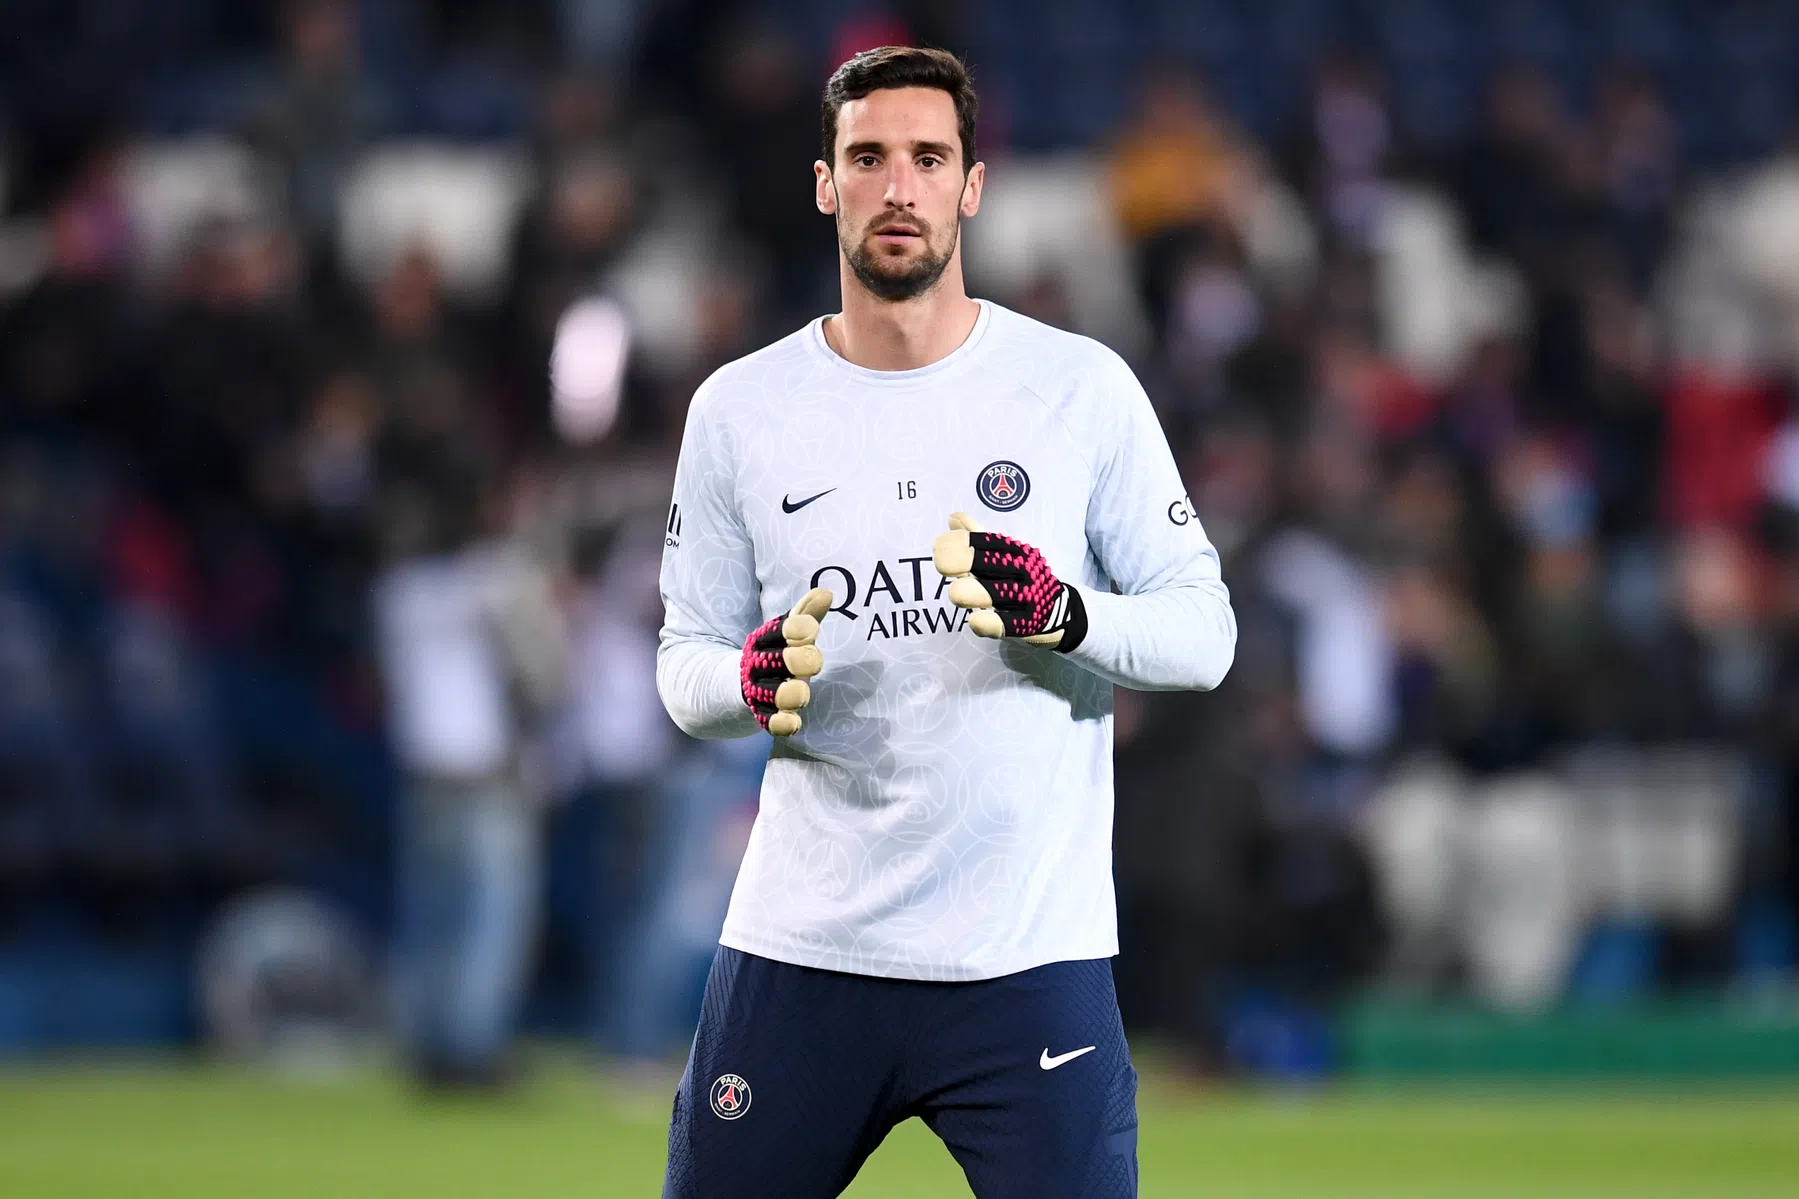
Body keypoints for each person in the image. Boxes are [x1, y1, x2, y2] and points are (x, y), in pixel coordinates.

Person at [655, 46, 1236, 1198]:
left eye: (928, 158)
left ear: (971, 185)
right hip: (806, 950)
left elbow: (1202, 632)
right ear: (826, 183)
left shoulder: (1078, 388)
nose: (898, 187)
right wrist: (748, 680)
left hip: (1026, 956)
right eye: (867, 157)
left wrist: (1066, 616)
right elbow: (684, 666)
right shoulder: (739, 408)